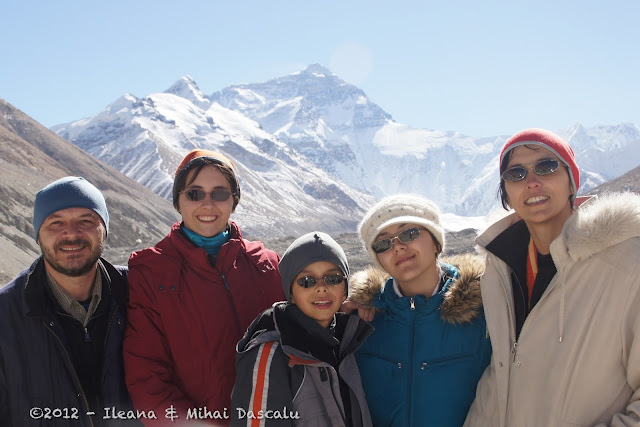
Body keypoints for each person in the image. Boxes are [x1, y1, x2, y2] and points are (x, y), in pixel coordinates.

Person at [464, 128, 640, 426]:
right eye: (516, 174)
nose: (532, 182)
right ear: (506, 194)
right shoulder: (499, 271)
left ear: (572, 182)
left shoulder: (628, 264)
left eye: (546, 166)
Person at [123, 150, 284, 425]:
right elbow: (147, 377)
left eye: (219, 194)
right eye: (194, 194)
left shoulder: (267, 266)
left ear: (234, 201)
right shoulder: (151, 273)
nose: (207, 204)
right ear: (178, 201)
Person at [0, 176, 136, 426]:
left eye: (86, 221)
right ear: (38, 235)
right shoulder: (5, 315)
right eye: (56, 222)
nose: (72, 233)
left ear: (104, 230)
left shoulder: (142, 295)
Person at [346, 194, 491, 427]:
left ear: (437, 243)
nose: (398, 247)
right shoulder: (363, 320)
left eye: (410, 233)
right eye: (383, 243)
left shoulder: (486, 309)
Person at [231, 231, 374, 427]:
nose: (321, 288)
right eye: (307, 281)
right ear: (290, 293)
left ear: (345, 290)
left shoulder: (348, 341)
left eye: (333, 279)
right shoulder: (270, 355)